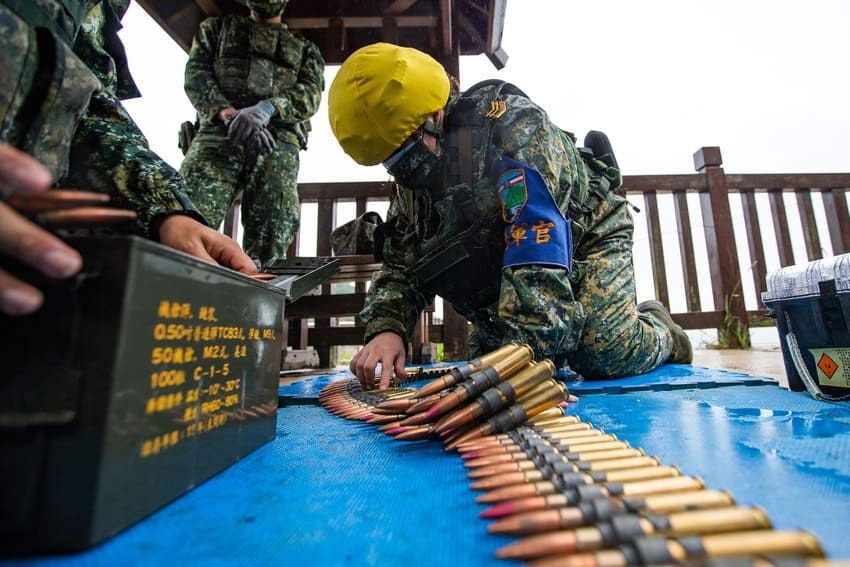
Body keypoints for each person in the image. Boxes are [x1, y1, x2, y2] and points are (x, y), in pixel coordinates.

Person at [327, 42, 693, 390]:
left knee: (603, 352)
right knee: (485, 365)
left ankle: (662, 330)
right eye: (392, 162)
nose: (406, 169)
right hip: (509, 276)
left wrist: (526, 358)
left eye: (408, 150)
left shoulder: (510, 129)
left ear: (435, 113)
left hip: (586, 236)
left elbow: (536, 235)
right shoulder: (412, 181)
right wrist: (387, 328)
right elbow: (401, 264)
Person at [0, 0, 257, 317]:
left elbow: (86, 108)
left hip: (29, 259)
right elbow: (198, 75)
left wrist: (166, 211)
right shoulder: (216, 31)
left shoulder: (96, 10)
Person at [179, 0, 325, 264]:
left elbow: (310, 95)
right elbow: (196, 75)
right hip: (219, 133)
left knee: (272, 230)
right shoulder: (216, 29)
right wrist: (230, 114)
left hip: (276, 141)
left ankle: (261, 293)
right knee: (187, 214)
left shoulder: (306, 49)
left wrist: (268, 109)